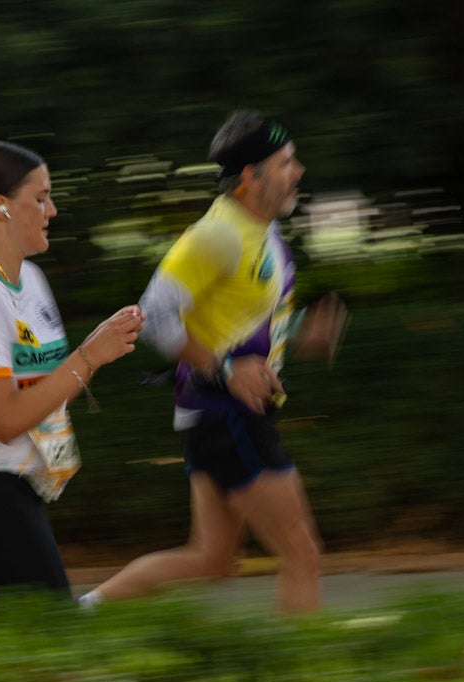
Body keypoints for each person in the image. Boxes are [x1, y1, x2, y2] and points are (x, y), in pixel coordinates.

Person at [80, 112, 348, 614]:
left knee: (212, 560)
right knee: (303, 554)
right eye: (286, 163)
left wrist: (297, 331)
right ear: (251, 176)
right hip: (226, 415)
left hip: (217, 414)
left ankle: (80, 613)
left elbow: (238, 314)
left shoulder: (262, 230)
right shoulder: (218, 234)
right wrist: (226, 369)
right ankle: (301, 667)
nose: (299, 171)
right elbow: (153, 316)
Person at [0, 140, 144, 607]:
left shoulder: (32, 279)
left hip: (17, 488)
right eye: (42, 198)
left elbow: (48, 392)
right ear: (2, 207)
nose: (53, 210)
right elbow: (4, 421)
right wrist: (89, 356)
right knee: (52, 636)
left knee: (40, 641)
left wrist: (95, 351)